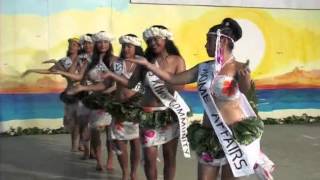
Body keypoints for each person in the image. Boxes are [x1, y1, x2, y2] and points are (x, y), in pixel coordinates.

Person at [126, 18, 274, 180]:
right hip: (208, 134)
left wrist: (245, 81)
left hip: (231, 135)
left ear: (222, 41)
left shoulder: (239, 68)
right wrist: (149, 65)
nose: (205, 45)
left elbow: (248, 98)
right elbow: (173, 79)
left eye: (208, 41)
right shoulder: (203, 68)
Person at [102, 25, 189, 180]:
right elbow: (131, 83)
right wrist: (112, 76)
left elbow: (179, 87)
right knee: (149, 158)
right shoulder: (144, 61)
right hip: (148, 114)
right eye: (149, 40)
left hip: (169, 113)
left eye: (157, 39)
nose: (153, 43)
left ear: (166, 39)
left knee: (169, 157)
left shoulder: (177, 60)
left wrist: (156, 73)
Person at [22, 37, 83, 152]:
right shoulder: (65, 60)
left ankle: (81, 144)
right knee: (73, 121)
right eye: (70, 44)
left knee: (82, 121)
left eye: (74, 44)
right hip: (70, 94)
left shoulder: (84, 60)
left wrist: (57, 63)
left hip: (83, 93)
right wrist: (32, 70)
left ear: (79, 47)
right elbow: (51, 71)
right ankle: (75, 145)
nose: (71, 46)